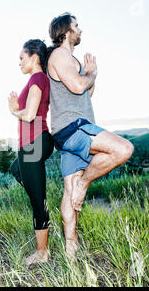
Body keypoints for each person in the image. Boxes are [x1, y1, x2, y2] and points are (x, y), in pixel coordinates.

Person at [47, 13, 134, 260]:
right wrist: (91, 76)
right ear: (65, 31)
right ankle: (84, 184)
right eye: (76, 26)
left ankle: (70, 251)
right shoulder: (59, 55)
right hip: (74, 127)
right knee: (123, 149)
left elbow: (84, 93)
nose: (80, 30)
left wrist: (92, 74)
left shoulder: (70, 60)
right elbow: (77, 86)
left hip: (70, 131)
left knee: (68, 191)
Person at [8, 39, 54, 266]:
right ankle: (41, 203)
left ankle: (42, 252)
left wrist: (14, 111)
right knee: (15, 168)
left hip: (35, 142)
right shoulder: (36, 80)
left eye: (21, 57)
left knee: (37, 201)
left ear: (34, 57)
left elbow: (29, 115)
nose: (19, 63)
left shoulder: (37, 78)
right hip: (33, 143)